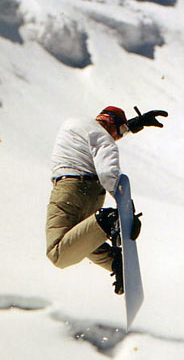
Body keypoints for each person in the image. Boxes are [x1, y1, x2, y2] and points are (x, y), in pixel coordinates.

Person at [46, 106, 168, 294]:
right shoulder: (103, 138)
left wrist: (121, 214)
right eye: (119, 132)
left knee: (58, 254)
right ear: (111, 123)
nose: (117, 138)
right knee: (80, 239)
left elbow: (106, 168)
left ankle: (107, 221)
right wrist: (125, 209)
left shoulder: (75, 124)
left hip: (69, 190)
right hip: (89, 193)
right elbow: (108, 173)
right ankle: (114, 261)